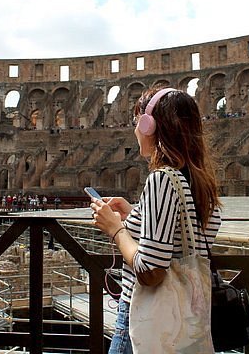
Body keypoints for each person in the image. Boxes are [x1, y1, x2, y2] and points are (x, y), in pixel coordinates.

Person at [90, 87, 222, 353]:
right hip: (187, 318)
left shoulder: (162, 180)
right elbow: (181, 237)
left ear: (150, 126)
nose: (136, 131)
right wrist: (136, 213)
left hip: (147, 319)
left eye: (138, 122)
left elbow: (150, 270)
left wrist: (115, 228)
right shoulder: (201, 184)